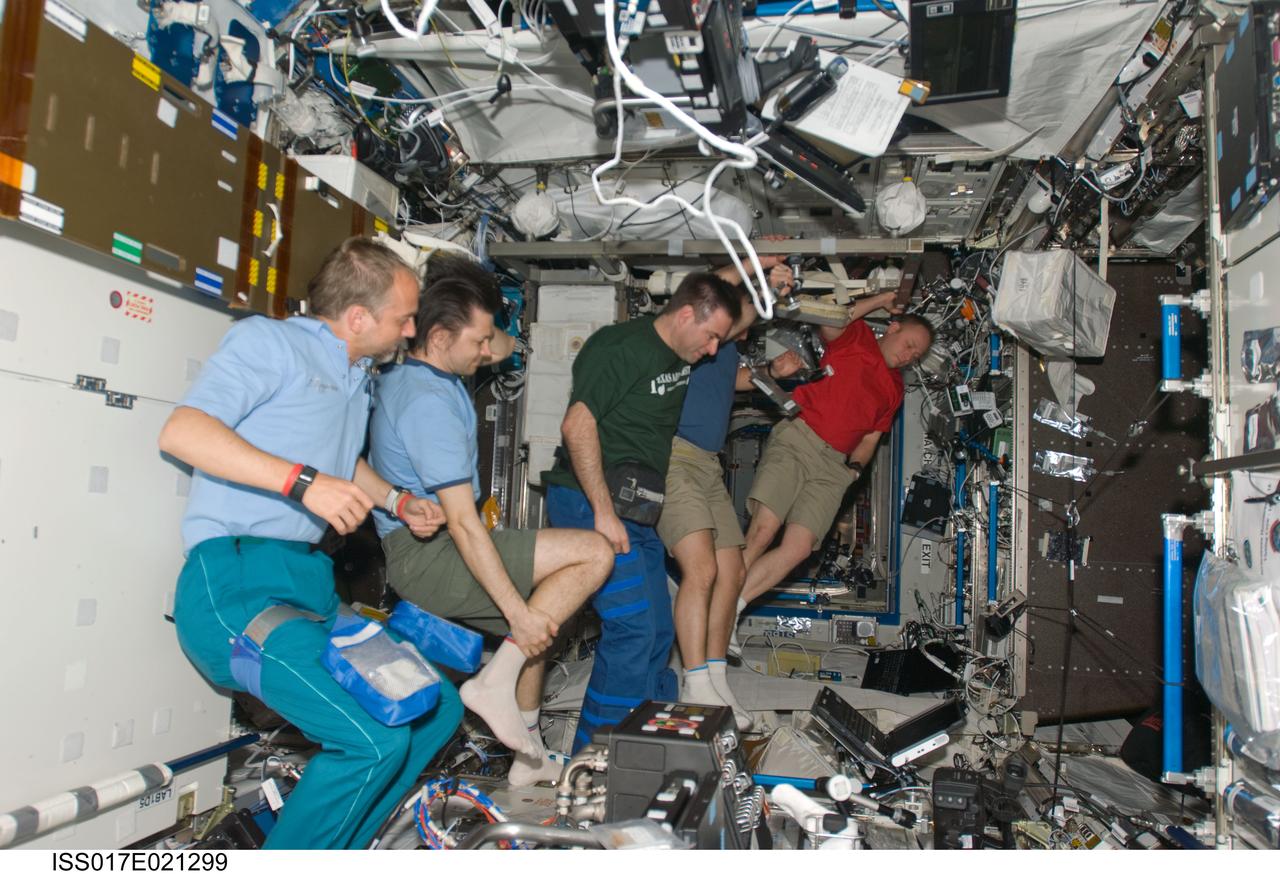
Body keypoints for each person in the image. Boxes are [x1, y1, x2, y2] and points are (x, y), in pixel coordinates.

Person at [157, 238, 460, 850]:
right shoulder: (270, 344)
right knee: (371, 738)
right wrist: (303, 483)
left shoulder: (355, 375)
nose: (412, 327)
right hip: (236, 584)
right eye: (403, 316)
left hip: (307, 585)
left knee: (437, 709)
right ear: (357, 319)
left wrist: (394, 500)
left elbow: (338, 456)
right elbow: (183, 431)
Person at [368, 255, 613, 786]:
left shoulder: (425, 368)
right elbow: (462, 523)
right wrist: (517, 617)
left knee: (539, 619)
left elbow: (498, 342)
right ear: (437, 337)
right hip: (427, 557)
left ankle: (527, 757)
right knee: (592, 554)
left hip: (430, 546)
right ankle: (493, 685)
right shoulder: (427, 403)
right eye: (478, 342)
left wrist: (479, 297)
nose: (489, 352)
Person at [542, 272, 742, 751]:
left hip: (638, 510)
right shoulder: (620, 347)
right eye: (712, 336)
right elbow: (577, 425)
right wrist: (603, 512)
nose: (714, 350)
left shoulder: (679, 355)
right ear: (687, 313)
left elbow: (717, 291)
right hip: (591, 502)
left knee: (657, 630)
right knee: (632, 630)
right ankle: (597, 758)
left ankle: (647, 747)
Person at [656, 265, 803, 730]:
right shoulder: (699, 330)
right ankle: (693, 681)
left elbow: (733, 379)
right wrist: (759, 265)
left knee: (733, 569)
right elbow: (719, 295)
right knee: (700, 569)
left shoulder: (725, 345)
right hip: (674, 454)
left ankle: (715, 680)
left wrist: (766, 372)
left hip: (707, 463)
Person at [739, 298, 936, 611]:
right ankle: (719, 608)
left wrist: (854, 471)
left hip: (834, 466)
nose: (910, 356)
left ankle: (734, 606)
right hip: (800, 440)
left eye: (917, 355)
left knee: (799, 548)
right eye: (910, 344)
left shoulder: (895, 390)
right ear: (894, 328)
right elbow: (829, 317)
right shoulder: (858, 337)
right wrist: (884, 300)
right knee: (763, 530)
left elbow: (871, 438)